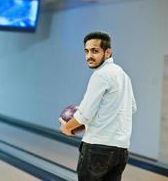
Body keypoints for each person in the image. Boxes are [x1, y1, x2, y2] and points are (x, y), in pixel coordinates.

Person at [59, 31, 137, 181]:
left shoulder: (101, 74)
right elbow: (131, 107)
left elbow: (85, 114)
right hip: (121, 150)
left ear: (107, 52)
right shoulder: (123, 75)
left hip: (97, 149)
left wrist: (67, 128)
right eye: (86, 51)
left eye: (95, 51)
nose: (89, 56)